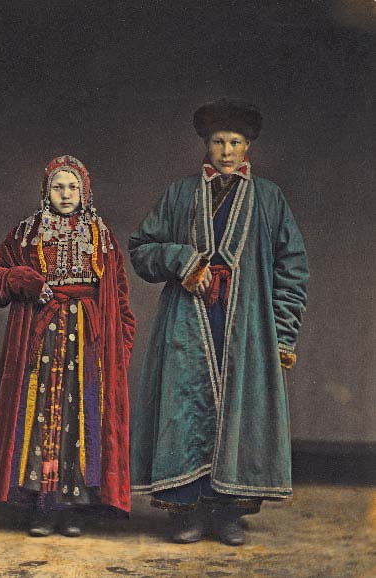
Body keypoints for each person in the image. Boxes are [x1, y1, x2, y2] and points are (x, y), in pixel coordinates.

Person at [129, 99, 309, 545]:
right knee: (185, 411)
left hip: (247, 325)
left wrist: (282, 333)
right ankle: (187, 511)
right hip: (186, 324)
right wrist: (181, 258)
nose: (227, 151)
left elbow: (292, 267)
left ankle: (229, 513)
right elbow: (141, 249)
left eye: (235, 142)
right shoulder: (179, 194)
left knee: (239, 414)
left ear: (248, 146)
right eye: (218, 142)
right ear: (205, 145)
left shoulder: (269, 198)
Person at [0, 155, 136, 537]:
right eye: (58, 187)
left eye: (73, 187)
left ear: (84, 191)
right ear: (46, 190)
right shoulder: (27, 233)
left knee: (80, 420)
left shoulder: (102, 235)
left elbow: (120, 297)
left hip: (87, 346)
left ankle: (73, 509)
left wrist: (119, 348)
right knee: (40, 418)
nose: (66, 194)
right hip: (39, 343)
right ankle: (41, 508)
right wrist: (20, 279)